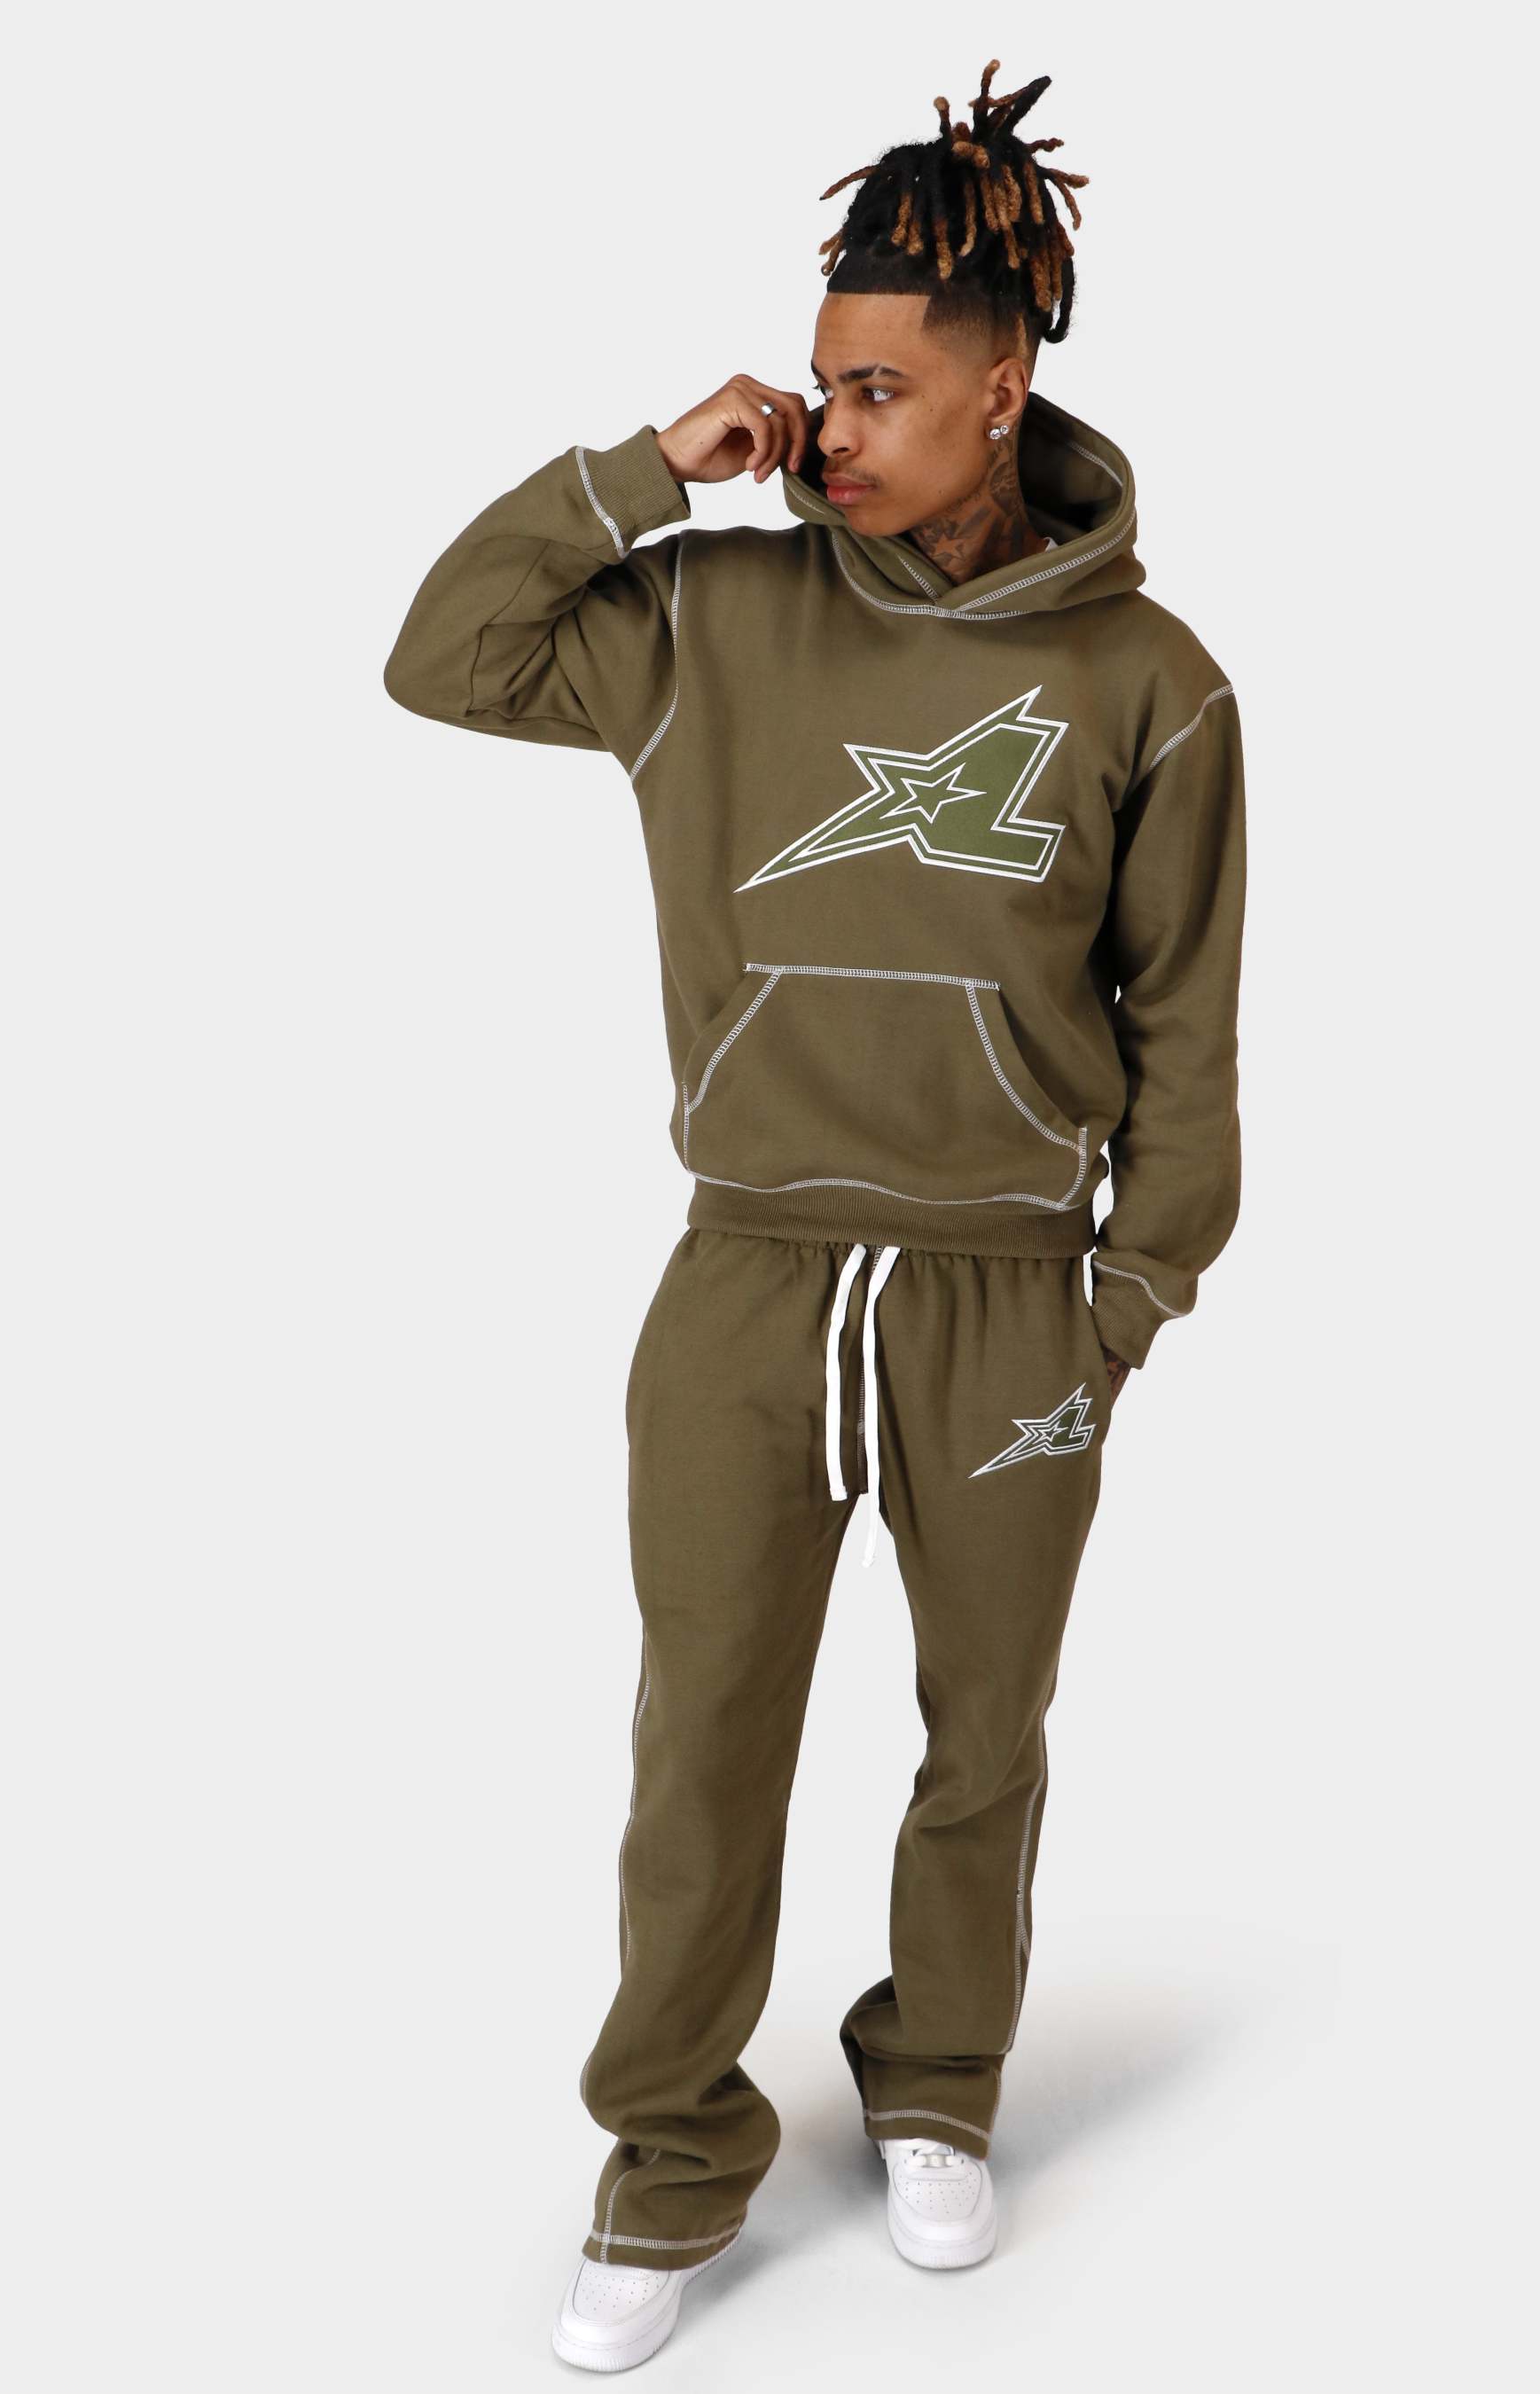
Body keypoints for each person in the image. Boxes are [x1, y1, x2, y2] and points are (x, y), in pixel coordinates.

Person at [383, 58, 1245, 2374]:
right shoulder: (709, 622)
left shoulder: (1149, 682)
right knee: (704, 1743)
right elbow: (443, 653)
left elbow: (1187, 1026)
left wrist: (1122, 1303)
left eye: (880, 388)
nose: (830, 424)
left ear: (1004, 387)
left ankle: (939, 2079)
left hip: (1010, 1299)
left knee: (987, 1731)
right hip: (748, 1276)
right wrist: (643, 474)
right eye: (820, 377)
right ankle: (668, 2161)